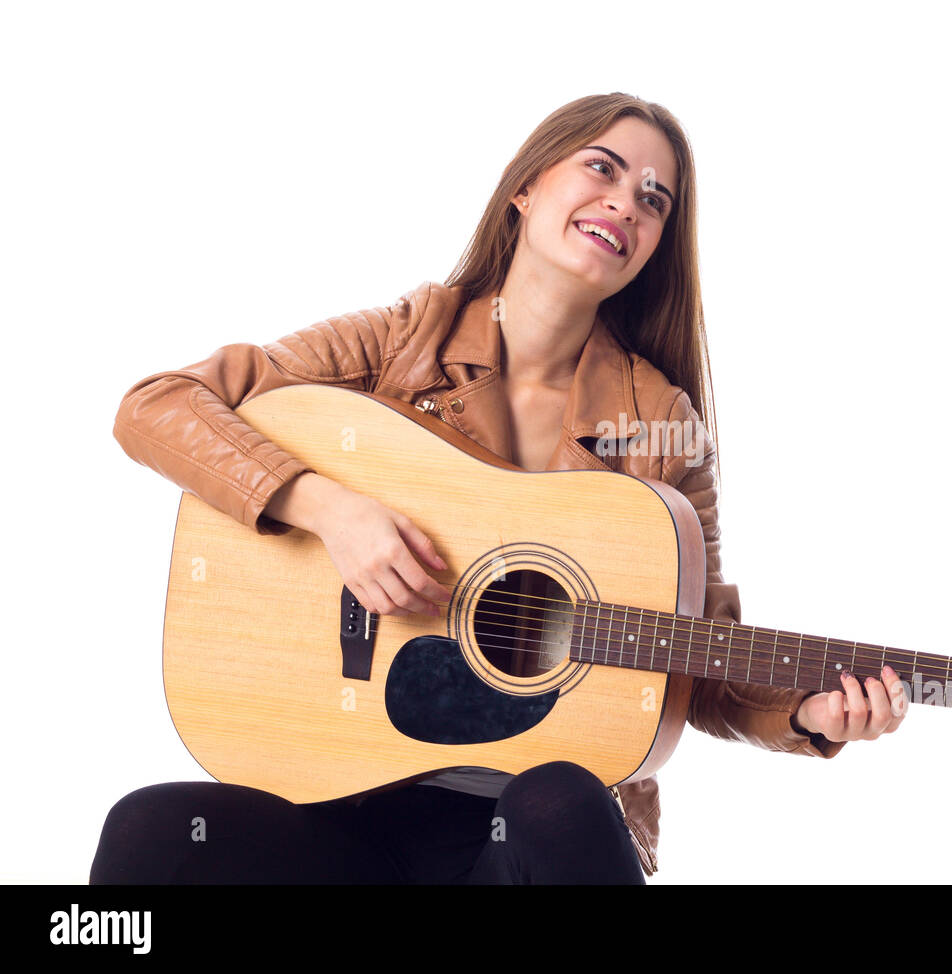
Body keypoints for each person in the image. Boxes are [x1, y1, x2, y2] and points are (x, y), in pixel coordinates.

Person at [91, 92, 908, 885]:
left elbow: (708, 665)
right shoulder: (402, 341)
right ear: (525, 187)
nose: (625, 203)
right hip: (335, 800)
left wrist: (805, 715)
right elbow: (156, 406)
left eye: (653, 199)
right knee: (150, 834)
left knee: (559, 798)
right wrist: (332, 510)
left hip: (525, 844)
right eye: (603, 168)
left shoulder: (663, 425)